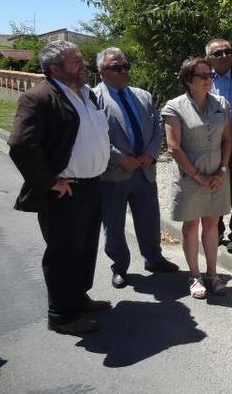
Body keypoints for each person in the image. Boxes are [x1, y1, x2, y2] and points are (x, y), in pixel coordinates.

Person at [9, 41, 111, 336]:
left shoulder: (86, 93)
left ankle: (77, 299)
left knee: (85, 247)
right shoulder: (39, 97)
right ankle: (62, 316)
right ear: (55, 68)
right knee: (63, 253)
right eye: (75, 60)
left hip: (92, 185)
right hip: (65, 191)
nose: (83, 64)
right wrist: (51, 181)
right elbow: (20, 144)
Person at [93, 47, 178, 289]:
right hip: (113, 174)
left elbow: (157, 128)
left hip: (144, 170)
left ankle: (153, 258)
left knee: (150, 220)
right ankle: (119, 267)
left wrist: (151, 155)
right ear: (101, 72)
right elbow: (96, 137)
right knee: (114, 226)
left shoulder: (143, 96)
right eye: (116, 68)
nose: (123, 71)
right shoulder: (93, 98)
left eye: (125, 66)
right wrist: (119, 158)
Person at [161, 57, 232, 299]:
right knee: (191, 225)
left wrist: (222, 169)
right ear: (188, 80)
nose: (209, 79)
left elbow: (227, 140)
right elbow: (174, 147)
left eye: (210, 75)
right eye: (203, 76)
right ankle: (194, 276)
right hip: (189, 175)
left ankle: (212, 274)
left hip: (217, 174)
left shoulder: (222, 103)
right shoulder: (174, 107)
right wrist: (199, 177)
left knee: (212, 224)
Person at [205, 37, 232, 253]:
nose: (224, 56)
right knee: (214, 189)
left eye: (227, 51)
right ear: (208, 58)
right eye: (218, 53)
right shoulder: (201, 78)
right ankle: (217, 228)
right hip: (210, 146)